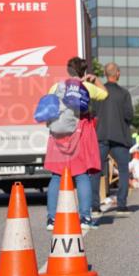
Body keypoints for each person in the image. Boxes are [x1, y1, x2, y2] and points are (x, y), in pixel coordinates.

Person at [43, 57, 107, 232]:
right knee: (81, 175)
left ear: (68, 70)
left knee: (56, 176)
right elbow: (104, 94)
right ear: (83, 72)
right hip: (79, 134)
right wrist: (95, 80)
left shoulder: (56, 86)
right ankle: (85, 217)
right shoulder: (86, 87)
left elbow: (49, 107)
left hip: (58, 135)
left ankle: (52, 219)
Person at [93, 62, 134, 215]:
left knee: (96, 170)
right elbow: (129, 115)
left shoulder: (98, 92)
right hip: (120, 136)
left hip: (101, 135)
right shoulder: (124, 93)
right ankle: (122, 205)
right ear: (117, 73)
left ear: (105, 74)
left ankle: (95, 206)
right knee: (123, 170)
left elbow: (93, 112)